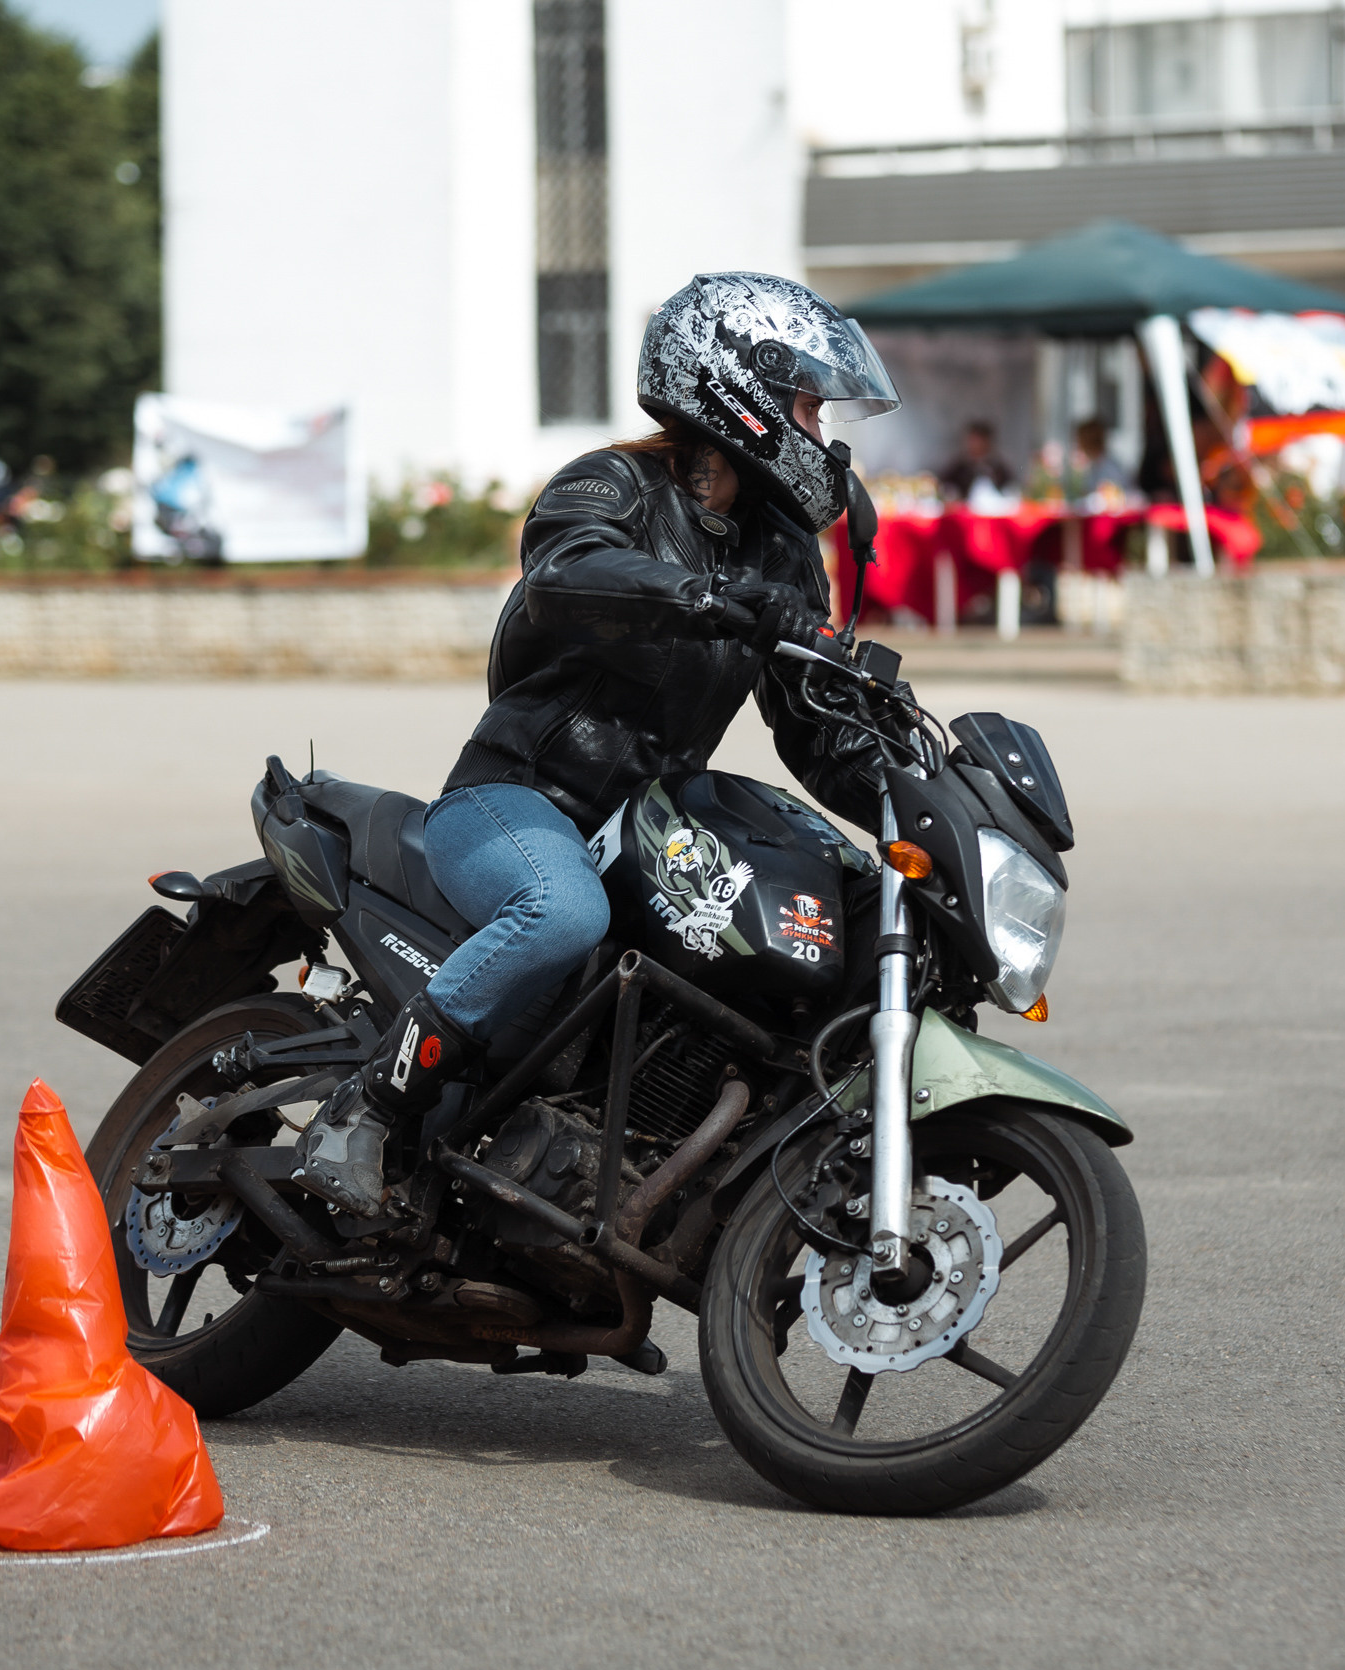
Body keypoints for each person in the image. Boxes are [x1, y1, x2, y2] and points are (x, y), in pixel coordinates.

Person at [289, 273, 903, 1216]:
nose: (824, 435)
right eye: (809, 406)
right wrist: (711, 602)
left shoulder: (778, 555)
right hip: (518, 801)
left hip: (646, 831)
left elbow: (810, 731)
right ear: (737, 389)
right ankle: (364, 1107)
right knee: (559, 912)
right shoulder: (611, 484)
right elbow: (569, 572)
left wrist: (906, 787)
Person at [935, 420, 1015, 509]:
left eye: (979, 440)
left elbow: (1009, 490)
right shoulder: (959, 466)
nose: (975, 444)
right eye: (973, 440)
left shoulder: (998, 468)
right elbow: (946, 486)